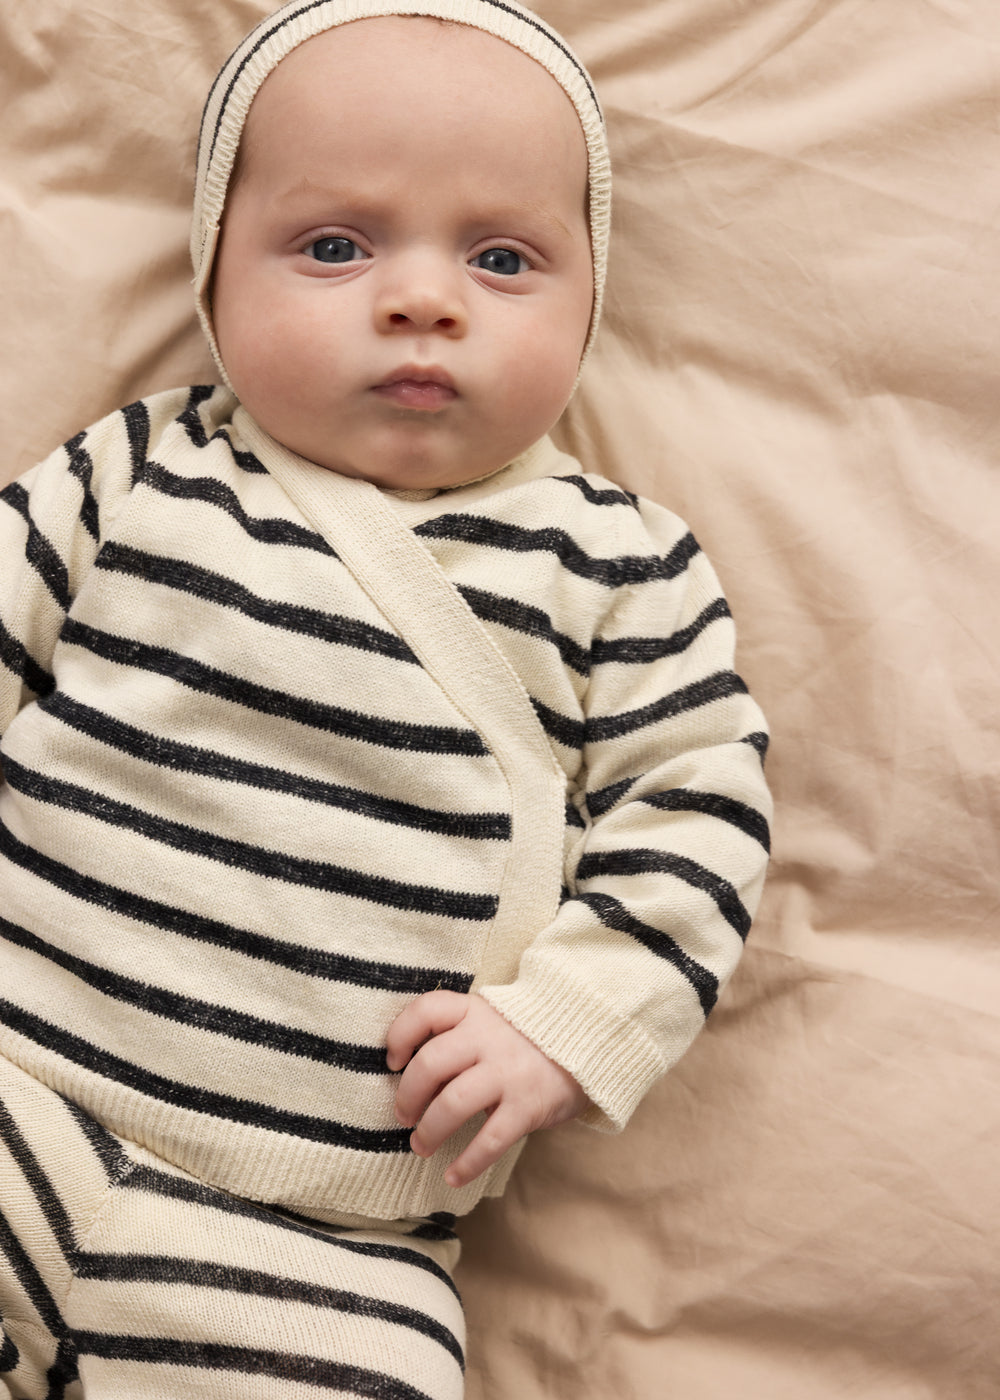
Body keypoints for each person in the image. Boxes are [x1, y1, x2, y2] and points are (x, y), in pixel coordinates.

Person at [0, 1, 771, 1395]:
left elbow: (700, 801)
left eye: (503, 256)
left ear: (594, 295)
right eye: (335, 246)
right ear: (211, 276)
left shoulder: (620, 568)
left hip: (321, 1239)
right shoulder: (141, 471)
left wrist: (567, 1020)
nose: (425, 299)